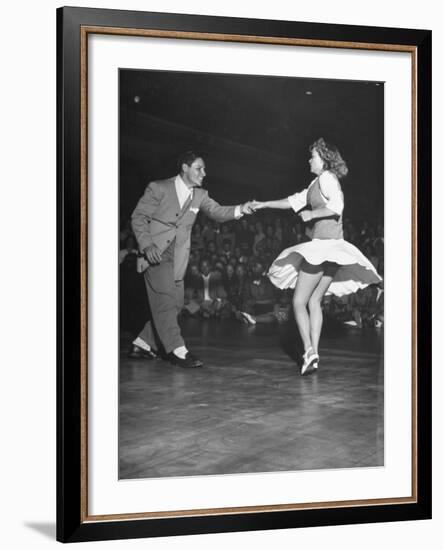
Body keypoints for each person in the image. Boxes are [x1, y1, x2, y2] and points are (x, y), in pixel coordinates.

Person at [252, 138, 382, 375]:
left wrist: (311, 215)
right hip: (331, 252)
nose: (309, 160)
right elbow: (291, 201)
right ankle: (313, 355)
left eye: (312, 156)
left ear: (323, 159)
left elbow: (337, 207)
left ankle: (309, 351)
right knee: (313, 302)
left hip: (324, 248)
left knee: (298, 302)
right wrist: (263, 204)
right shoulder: (316, 183)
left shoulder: (326, 178)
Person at [129, 151, 255, 368]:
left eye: (204, 169)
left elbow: (217, 211)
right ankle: (178, 350)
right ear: (185, 168)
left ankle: (143, 342)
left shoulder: (200, 195)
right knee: (166, 301)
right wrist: (147, 245)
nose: (204, 173)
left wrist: (240, 209)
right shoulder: (158, 188)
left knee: (176, 304)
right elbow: (138, 217)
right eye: (199, 168)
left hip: (178, 257)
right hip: (155, 254)